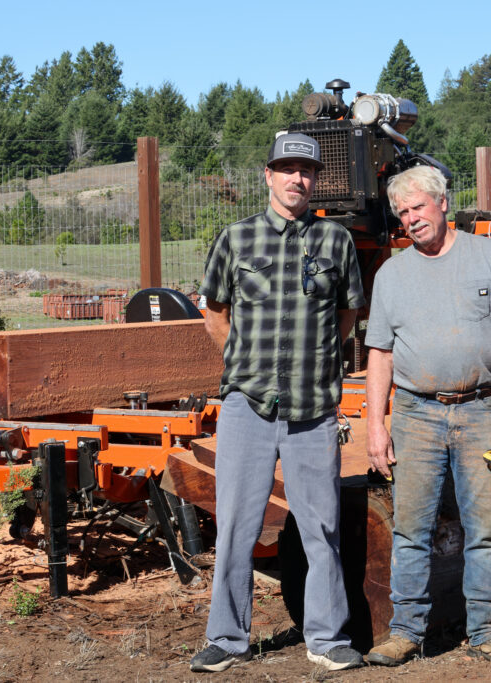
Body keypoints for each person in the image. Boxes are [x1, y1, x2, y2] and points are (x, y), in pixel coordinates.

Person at [190, 133, 367, 673]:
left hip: (313, 408)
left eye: (306, 171)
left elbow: (348, 314)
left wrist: (314, 361)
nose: (297, 179)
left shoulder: (336, 241)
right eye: (286, 169)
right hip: (249, 406)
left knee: (322, 527)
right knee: (238, 525)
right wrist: (243, 364)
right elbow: (215, 310)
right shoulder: (237, 239)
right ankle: (226, 636)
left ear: (316, 180)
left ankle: (327, 637)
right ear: (267, 176)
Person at [362, 165, 491, 670]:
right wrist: (377, 425)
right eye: (402, 213)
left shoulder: (490, 256)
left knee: (484, 528)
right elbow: (380, 354)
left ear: (442, 202)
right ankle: (405, 632)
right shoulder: (393, 274)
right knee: (411, 529)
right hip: (416, 415)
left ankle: (486, 631)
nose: (412, 219)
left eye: (418, 207)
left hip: (484, 408)